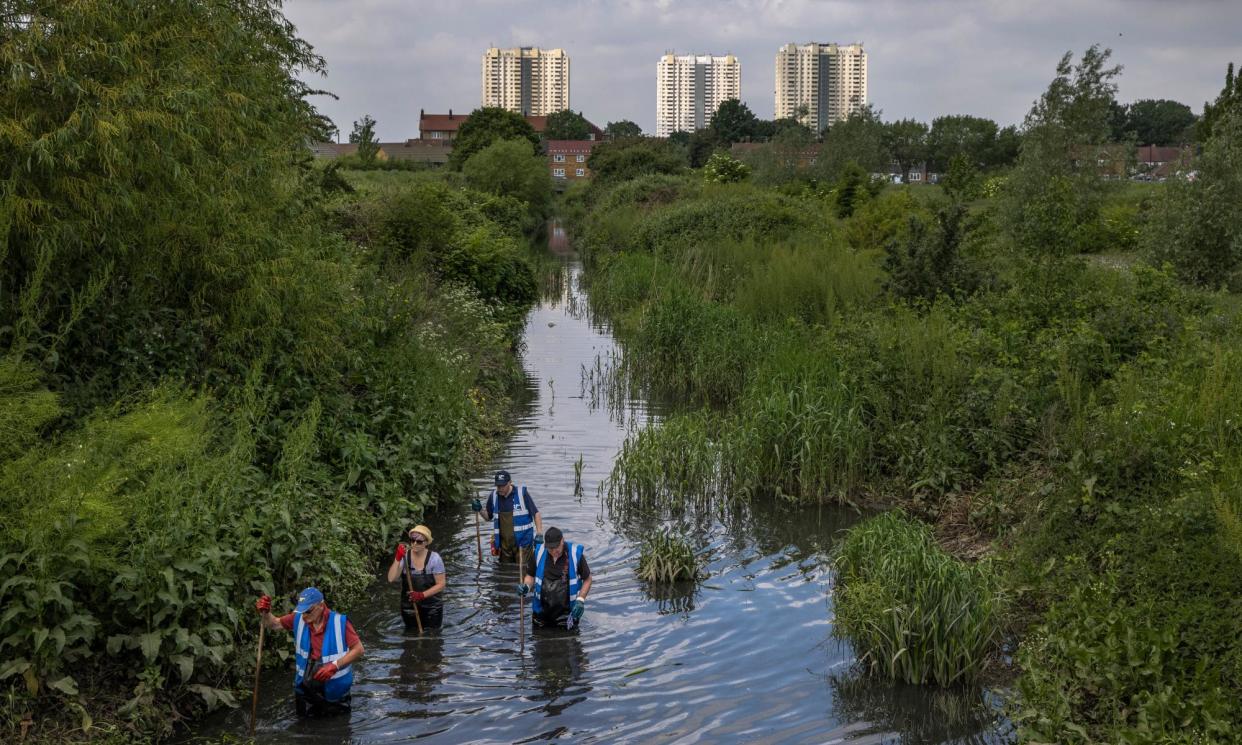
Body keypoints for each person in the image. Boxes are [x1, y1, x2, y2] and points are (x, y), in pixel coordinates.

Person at [255, 587, 364, 717]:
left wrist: (335, 665)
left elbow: (359, 650)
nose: (304, 616)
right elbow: (273, 624)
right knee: (304, 728)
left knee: (336, 731)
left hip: (335, 691)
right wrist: (267, 613)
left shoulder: (340, 622)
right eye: (302, 611)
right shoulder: (298, 618)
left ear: (321, 606)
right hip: (306, 688)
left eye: (308, 611)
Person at [517, 527, 591, 630]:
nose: (553, 551)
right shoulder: (539, 552)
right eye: (550, 548)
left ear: (562, 541)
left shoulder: (575, 554)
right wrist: (526, 586)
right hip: (541, 614)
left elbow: (587, 579)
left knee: (569, 643)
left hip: (566, 615)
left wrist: (581, 600)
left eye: (556, 547)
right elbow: (530, 575)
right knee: (540, 642)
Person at [472, 470, 543, 563]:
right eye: (498, 486)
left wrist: (539, 533)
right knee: (504, 571)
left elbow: (536, 514)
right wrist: (480, 509)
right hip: (504, 546)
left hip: (523, 544)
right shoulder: (493, 496)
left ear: (510, 483)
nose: (500, 488)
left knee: (524, 570)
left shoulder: (522, 494)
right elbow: (488, 517)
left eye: (502, 485)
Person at [386, 524, 446, 630]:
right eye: (412, 540)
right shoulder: (405, 557)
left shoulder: (435, 559)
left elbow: (441, 585)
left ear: (426, 542)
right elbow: (391, 578)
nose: (414, 544)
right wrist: (397, 558)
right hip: (409, 606)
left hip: (432, 607)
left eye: (419, 541)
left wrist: (421, 595)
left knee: (432, 637)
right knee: (410, 636)